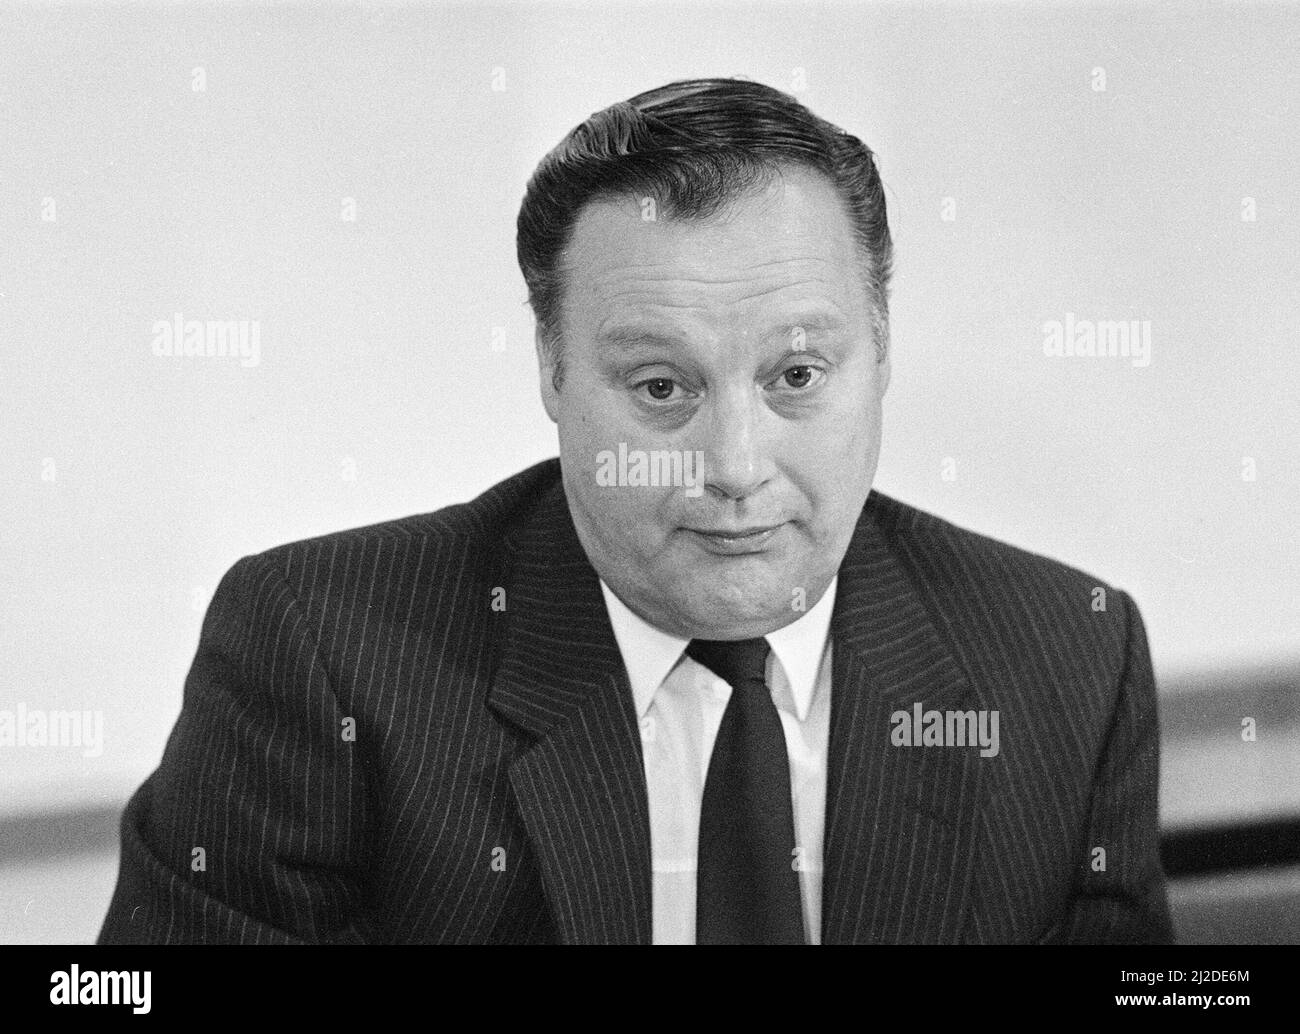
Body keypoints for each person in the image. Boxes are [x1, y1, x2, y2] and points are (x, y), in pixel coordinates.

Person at [99, 78, 1173, 944]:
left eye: (796, 375)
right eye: (662, 388)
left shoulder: (1065, 661)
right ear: (555, 374)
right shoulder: (323, 649)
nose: (736, 466)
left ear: (881, 356)